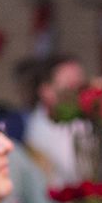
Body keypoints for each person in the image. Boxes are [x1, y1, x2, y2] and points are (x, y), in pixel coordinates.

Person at [24, 55, 89, 186]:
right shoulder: (35, 129)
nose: (79, 94)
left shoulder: (90, 121)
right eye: (70, 87)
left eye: (81, 87)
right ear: (46, 90)